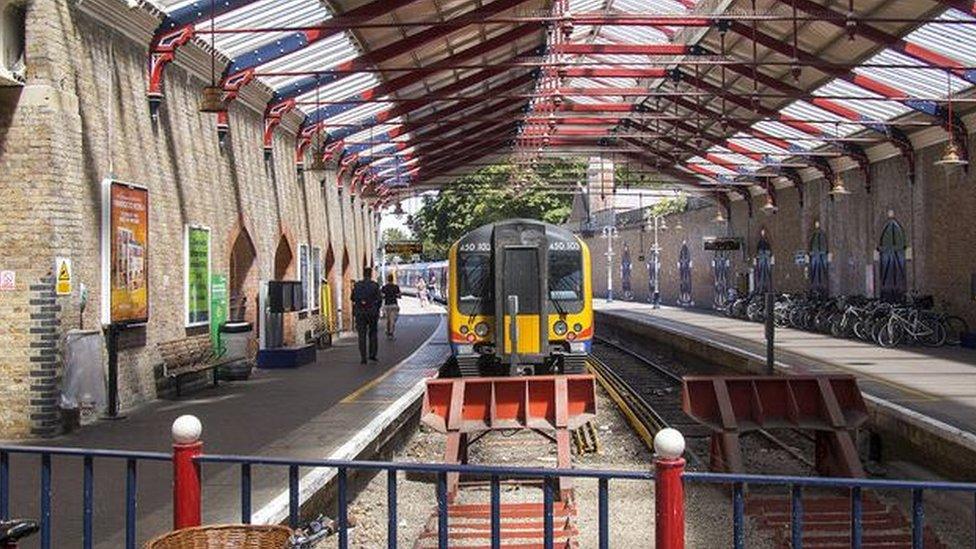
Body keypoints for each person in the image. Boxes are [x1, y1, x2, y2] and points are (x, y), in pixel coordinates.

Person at [351, 267, 381, 364]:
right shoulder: (375, 285)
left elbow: (352, 298)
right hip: (372, 312)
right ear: (371, 274)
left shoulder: (357, 285)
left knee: (362, 335)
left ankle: (363, 358)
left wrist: (361, 302)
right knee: (373, 334)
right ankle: (372, 355)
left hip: (360, 312)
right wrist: (376, 309)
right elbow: (379, 299)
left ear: (363, 274)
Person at [381, 274, 402, 339]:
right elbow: (399, 295)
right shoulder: (396, 287)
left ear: (387, 279)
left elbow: (382, 295)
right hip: (394, 305)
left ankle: (387, 331)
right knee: (393, 320)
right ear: (393, 279)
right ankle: (391, 333)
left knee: (387, 319)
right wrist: (396, 295)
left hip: (387, 305)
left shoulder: (384, 287)